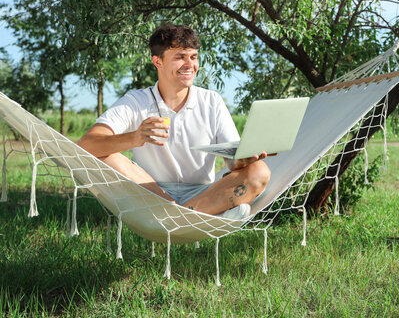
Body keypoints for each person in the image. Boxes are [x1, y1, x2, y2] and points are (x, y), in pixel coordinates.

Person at [78, 24, 271, 219]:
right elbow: (85, 145)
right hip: (151, 193)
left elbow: (230, 161)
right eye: (180, 57)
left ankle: (180, 217)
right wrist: (135, 137)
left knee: (259, 172)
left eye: (193, 57)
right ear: (157, 61)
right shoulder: (136, 101)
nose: (189, 65)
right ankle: (201, 216)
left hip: (203, 194)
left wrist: (241, 160)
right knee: (103, 156)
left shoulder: (212, 101)